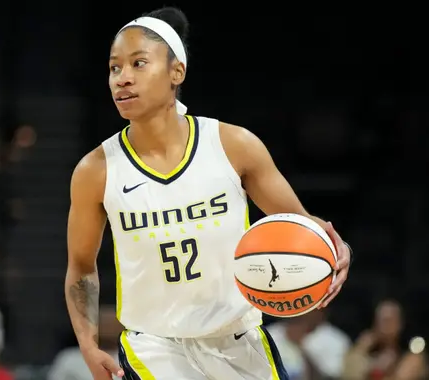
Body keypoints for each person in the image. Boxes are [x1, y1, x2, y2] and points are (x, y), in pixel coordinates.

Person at [64, 6, 352, 380]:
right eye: (114, 68)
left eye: (138, 64)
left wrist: (335, 247)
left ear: (176, 72)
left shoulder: (233, 145)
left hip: (239, 342)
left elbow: (298, 224)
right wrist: (88, 344)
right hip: (155, 348)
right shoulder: (96, 170)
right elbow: (82, 268)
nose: (122, 78)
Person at [49, 305, 123, 380]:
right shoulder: (69, 358)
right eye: (105, 324)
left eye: (113, 325)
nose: (109, 329)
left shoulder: (130, 359)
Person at [342, 299, 404, 380]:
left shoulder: (408, 356)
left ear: (399, 324)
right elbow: (348, 374)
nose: (384, 326)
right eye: (380, 321)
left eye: (388, 321)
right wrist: (361, 348)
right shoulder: (364, 349)